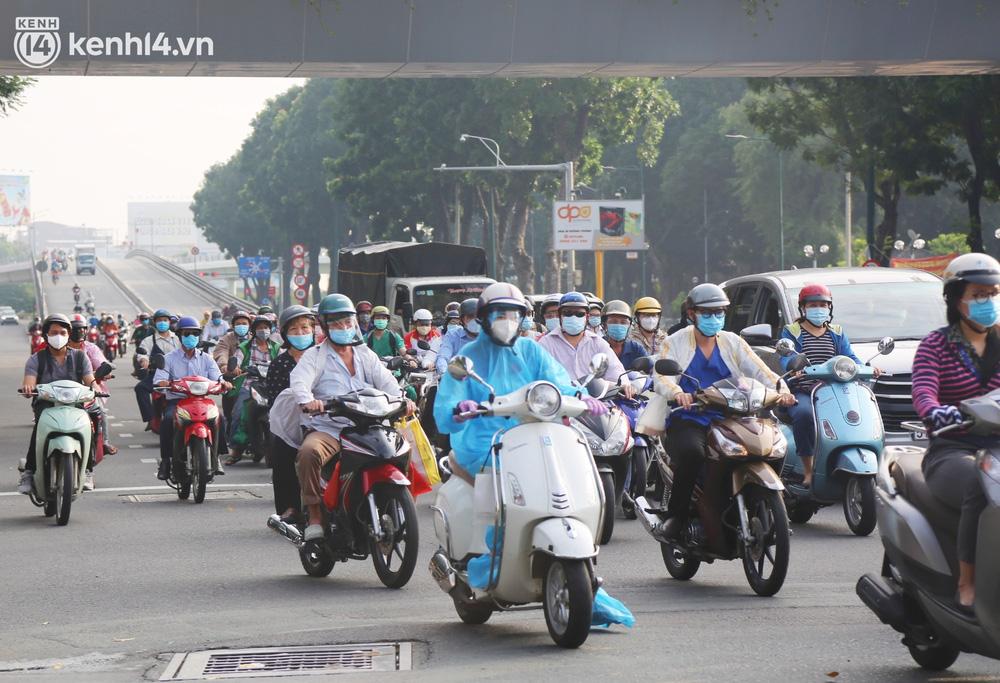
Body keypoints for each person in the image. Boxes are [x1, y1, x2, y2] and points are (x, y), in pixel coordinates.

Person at [651, 284, 795, 540]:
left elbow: (760, 371)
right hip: (690, 416)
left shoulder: (732, 341)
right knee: (693, 455)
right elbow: (661, 377)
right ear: (692, 313)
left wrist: (781, 389)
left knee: (773, 445)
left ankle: (768, 503)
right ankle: (677, 516)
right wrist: (677, 393)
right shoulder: (674, 342)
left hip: (732, 415)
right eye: (707, 313)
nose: (714, 318)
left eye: (719, 312)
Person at [434, 282, 608, 478]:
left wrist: (581, 396)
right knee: (488, 504)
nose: (507, 322)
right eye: (500, 315)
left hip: (535, 437)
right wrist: (458, 409)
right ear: (483, 317)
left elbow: (557, 382)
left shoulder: (530, 349)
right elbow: (448, 402)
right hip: (484, 448)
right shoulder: (469, 355)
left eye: (513, 315)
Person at [911, 253, 1000, 610]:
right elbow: (923, 392)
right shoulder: (936, 345)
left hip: (997, 447)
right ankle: (967, 582)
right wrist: (935, 412)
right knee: (984, 484)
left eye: (993, 292)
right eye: (979, 294)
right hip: (952, 449)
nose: (988, 301)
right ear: (956, 298)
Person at [284, 294, 409, 541]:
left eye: (347, 322)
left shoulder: (365, 354)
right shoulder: (315, 356)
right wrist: (308, 401)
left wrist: (403, 400)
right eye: (336, 323)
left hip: (369, 426)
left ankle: (400, 505)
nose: (343, 328)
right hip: (330, 428)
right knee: (309, 453)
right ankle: (315, 514)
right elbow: (300, 382)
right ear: (325, 326)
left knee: (404, 447)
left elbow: (387, 381)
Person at [779, 283, 881, 492]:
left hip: (833, 391)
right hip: (803, 390)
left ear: (830, 308)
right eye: (813, 305)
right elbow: (786, 356)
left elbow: (849, 357)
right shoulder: (793, 331)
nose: (819, 309)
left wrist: (867, 368)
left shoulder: (836, 332)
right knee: (805, 415)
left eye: (823, 305)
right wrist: (793, 365)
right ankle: (808, 470)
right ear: (803, 308)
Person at [18, 314, 98, 494]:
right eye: (54, 332)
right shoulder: (36, 359)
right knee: (39, 428)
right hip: (46, 405)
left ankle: (88, 470)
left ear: (69, 334)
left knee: (91, 425)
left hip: (75, 405)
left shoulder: (80, 357)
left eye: (62, 332)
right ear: (46, 335)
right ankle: (29, 472)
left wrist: (95, 386)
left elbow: (90, 380)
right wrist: (28, 387)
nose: (58, 336)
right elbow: (29, 380)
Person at [153, 317, 230, 481]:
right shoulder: (169, 358)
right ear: (180, 335)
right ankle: (166, 461)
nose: (191, 337)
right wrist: (164, 382)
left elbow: (218, 378)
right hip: (177, 402)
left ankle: (217, 456)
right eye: (187, 333)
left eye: (195, 333)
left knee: (220, 417)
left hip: (203, 401)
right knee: (167, 420)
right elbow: (159, 380)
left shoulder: (207, 359)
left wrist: (224, 383)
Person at [263, 305, 315, 523]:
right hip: (292, 423)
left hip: (325, 420)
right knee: (281, 452)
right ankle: (289, 507)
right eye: (294, 329)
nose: (301, 333)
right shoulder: (279, 364)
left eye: (305, 328)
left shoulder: (323, 358)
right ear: (285, 334)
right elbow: (276, 403)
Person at [538, 292, 635, 397]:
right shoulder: (545, 344)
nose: (573, 317)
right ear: (560, 316)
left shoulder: (598, 343)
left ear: (587, 317)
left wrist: (625, 385)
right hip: (560, 404)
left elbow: (616, 372)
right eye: (568, 313)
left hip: (598, 404)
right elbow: (540, 379)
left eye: (579, 314)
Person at [226, 315, 281, 465]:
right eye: (259, 328)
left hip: (271, 386)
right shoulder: (245, 347)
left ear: (271, 330)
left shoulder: (276, 347)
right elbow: (236, 359)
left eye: (266, 327)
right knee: (238, 413)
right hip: (249, 385)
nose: (263, 330)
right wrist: (235, 368)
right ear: (254, 330)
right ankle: (236, 450)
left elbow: (283, 363)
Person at [69, 313, 117, 470]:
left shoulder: (90, 349)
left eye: (81, 329)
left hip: (88, 392)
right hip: (63, 393)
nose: (78, 333)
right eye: (73, 329)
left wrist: (102, 374)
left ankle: (104, 442)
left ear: (86, 331)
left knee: (100, 412)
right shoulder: (57, 350)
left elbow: (102, 364)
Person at [134, 309, 180, 431]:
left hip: (177, 376)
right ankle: (150, 418)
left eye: (165, 320)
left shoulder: (178, 339)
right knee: (140, 388)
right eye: (159, 321)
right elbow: (142, 353)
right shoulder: (149, 340)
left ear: (170, 322)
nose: (162, 323)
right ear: (154, 322)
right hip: (156, 375)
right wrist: (144, 360)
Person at [435, 298, 480, 375]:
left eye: (478, 317)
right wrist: (445, 374)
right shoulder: (452, 335)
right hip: (458, 380)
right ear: (462, 320)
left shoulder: (490, 336)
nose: (474, 320)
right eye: (470, 317)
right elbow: (443, 357)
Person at [603, 299, 646, 370]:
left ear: (629, 325)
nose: (618, 325)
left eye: (623, 322)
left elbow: (650, 370)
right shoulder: (597, 346)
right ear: (604, 325)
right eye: (613, 322)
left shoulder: (636, 348)